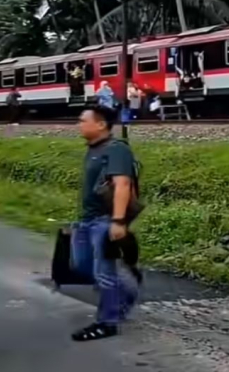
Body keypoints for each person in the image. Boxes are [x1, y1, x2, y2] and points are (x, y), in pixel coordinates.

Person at [71, 105, 140, 342]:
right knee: (82, 266)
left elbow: (122, 185)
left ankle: (107, 322)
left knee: (104, 274)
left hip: (105, 220)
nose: (79, 124)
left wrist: (118, 222)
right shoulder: (92, 149)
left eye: (83, 120)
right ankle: (127, 282)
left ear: (100, 124)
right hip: (86, 219)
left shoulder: (116, 149)